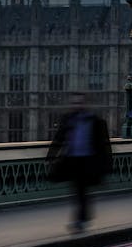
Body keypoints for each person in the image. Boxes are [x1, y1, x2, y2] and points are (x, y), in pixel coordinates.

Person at [46, 93, 112, 234]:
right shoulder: (69, 119)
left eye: (79, 103)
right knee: (78, 192)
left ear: (85, 104)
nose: (76, 106)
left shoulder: (95, 121)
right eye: (74, 103)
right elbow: (59, 138)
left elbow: (104, 145)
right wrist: (51, 156)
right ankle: (82, 218)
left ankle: (81, 219)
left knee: (82, 192)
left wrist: (106, 164)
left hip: (88, 161)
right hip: (73, 161)